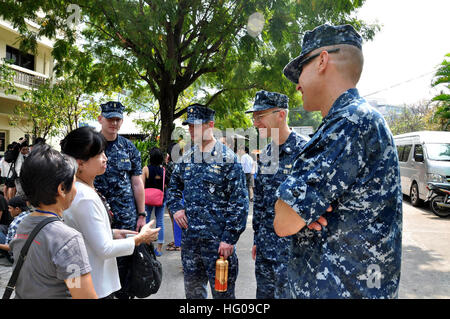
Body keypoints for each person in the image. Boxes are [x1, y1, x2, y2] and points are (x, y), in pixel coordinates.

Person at [274, 24, 403, 298]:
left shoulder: (348, 122)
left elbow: (283, 220)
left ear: (322, 60)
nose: (297, 84)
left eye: (301, 71)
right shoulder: (357, 119)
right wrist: (305, 213)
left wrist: (300, 212)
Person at [61, 126, 160, 299]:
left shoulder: (81, 189)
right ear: (80, 163)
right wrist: (140, 239)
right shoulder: (84, 197)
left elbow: (85, 233)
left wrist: (112, 233)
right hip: (94, 284)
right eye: (99, 154)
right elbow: (104, 249)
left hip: (92, 279)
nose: (105, 158)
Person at [167, 104, 249, 299]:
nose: (191, 130)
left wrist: (229, 237)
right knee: (194, 296)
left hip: (218, 244)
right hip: (191, 244)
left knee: (223, 295)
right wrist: (177, 208)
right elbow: (173, 188)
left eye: (196, 125)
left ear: (210, 125)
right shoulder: (187, 157)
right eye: (189, 126)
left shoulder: (228, 159)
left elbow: (239, 202)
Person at [9, 144, 98, 299]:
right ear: (62, 189)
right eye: (74, 182)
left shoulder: (23, 225)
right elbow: (84, 295)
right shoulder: (68, 239)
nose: (76, 189)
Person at [244, 90, 309, 299]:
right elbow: (261, 203)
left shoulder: (305, 151)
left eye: (260, 116)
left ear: (281, 115)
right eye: (254, 117)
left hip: (295, 253)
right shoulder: (265, 156)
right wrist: (256, 239)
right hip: (265, 250)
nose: (255, 123)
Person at [94, 101, 146, 299]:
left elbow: (137, 183)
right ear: (101, 119)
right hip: (98, 214)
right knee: (99, 260)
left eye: (117, 119)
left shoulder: (129, 148)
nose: (113, 123)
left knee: (125, 264)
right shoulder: (90, 144)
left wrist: (141, 214)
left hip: (125, 216)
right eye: (110, 118)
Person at [141, 146, 166, 256]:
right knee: (160, 221)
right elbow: (165, 185)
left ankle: (147, 245)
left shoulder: (145, 169)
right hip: (160, 198)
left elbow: (141, 185)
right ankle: (159, 249)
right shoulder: (163, 170)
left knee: (146, 220)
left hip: (147, 198)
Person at [0, 196, 30, 262]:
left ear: (17, 209)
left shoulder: (15, 224)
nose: (8, 210)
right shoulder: (31, 215)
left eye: (10, 208)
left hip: (17, 257)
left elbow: (10, 247)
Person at [165, 142, 181, 252]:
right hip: (180, 194)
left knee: (175, 219)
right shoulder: (181, 162)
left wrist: (165, 163)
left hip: (172, 194)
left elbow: (166, 180)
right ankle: (177, 241)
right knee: (177, 219)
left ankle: (178, 243)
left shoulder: (171, 165)